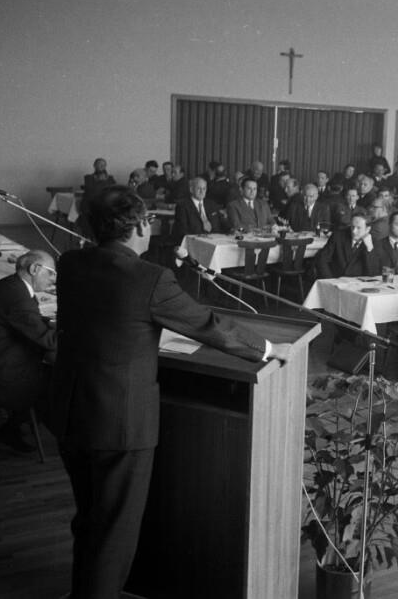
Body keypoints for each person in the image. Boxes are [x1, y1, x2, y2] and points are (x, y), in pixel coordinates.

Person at [47, 185, 294, 599]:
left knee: (89, 519)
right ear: (140, 226)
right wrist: (269, 348)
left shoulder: (70, 263)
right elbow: (210, 326)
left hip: (71, 412)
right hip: (120, 425)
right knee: (114, 533)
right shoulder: (150, 279)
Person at [0, 250, 57, 453]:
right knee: (55, 382)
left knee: (49, 375)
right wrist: (75, 332)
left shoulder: (11, 285)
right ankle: (13, 429)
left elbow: (30, 322)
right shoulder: (17, 297)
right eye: (51, 273)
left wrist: (51, 325)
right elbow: (48, 340)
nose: (53, 279)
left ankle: (16, 427)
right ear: (35, 269)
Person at [315, 212, 380, 279]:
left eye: (358, 228)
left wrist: (369, 249)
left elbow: (373, 273)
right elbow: (321, 259)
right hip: (334, 280)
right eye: (352, 227)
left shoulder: (374, 243)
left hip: (357, 283)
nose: (354, 231)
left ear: (368, 229)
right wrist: (329, 279)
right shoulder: (338, 236)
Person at [172, 175, 224, 240]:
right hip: (194, 240)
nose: (202, 191)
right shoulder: (183, 206)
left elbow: (221, 223)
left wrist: (231, 229)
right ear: (191, 189)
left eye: (204, 188)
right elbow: (183, 230)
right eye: (199, 188)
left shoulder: (212, 204)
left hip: (214, 239)